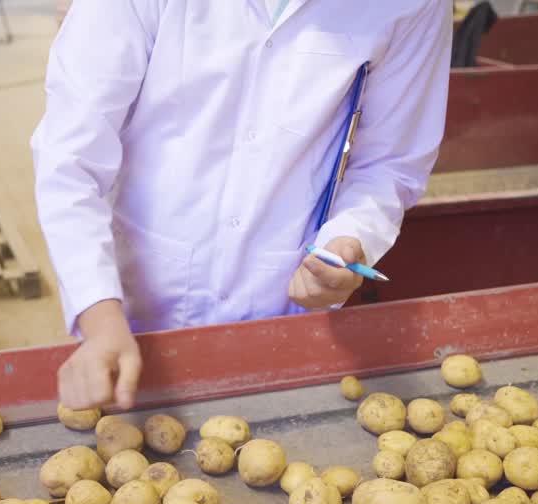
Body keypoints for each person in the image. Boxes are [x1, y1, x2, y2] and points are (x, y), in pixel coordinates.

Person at [32, 0, 451, 412]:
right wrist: (100, 318)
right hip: (133, 310)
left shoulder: (414, 6)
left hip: (278, 309)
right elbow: (71, 159)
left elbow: (389, 163)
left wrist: (350, 236)